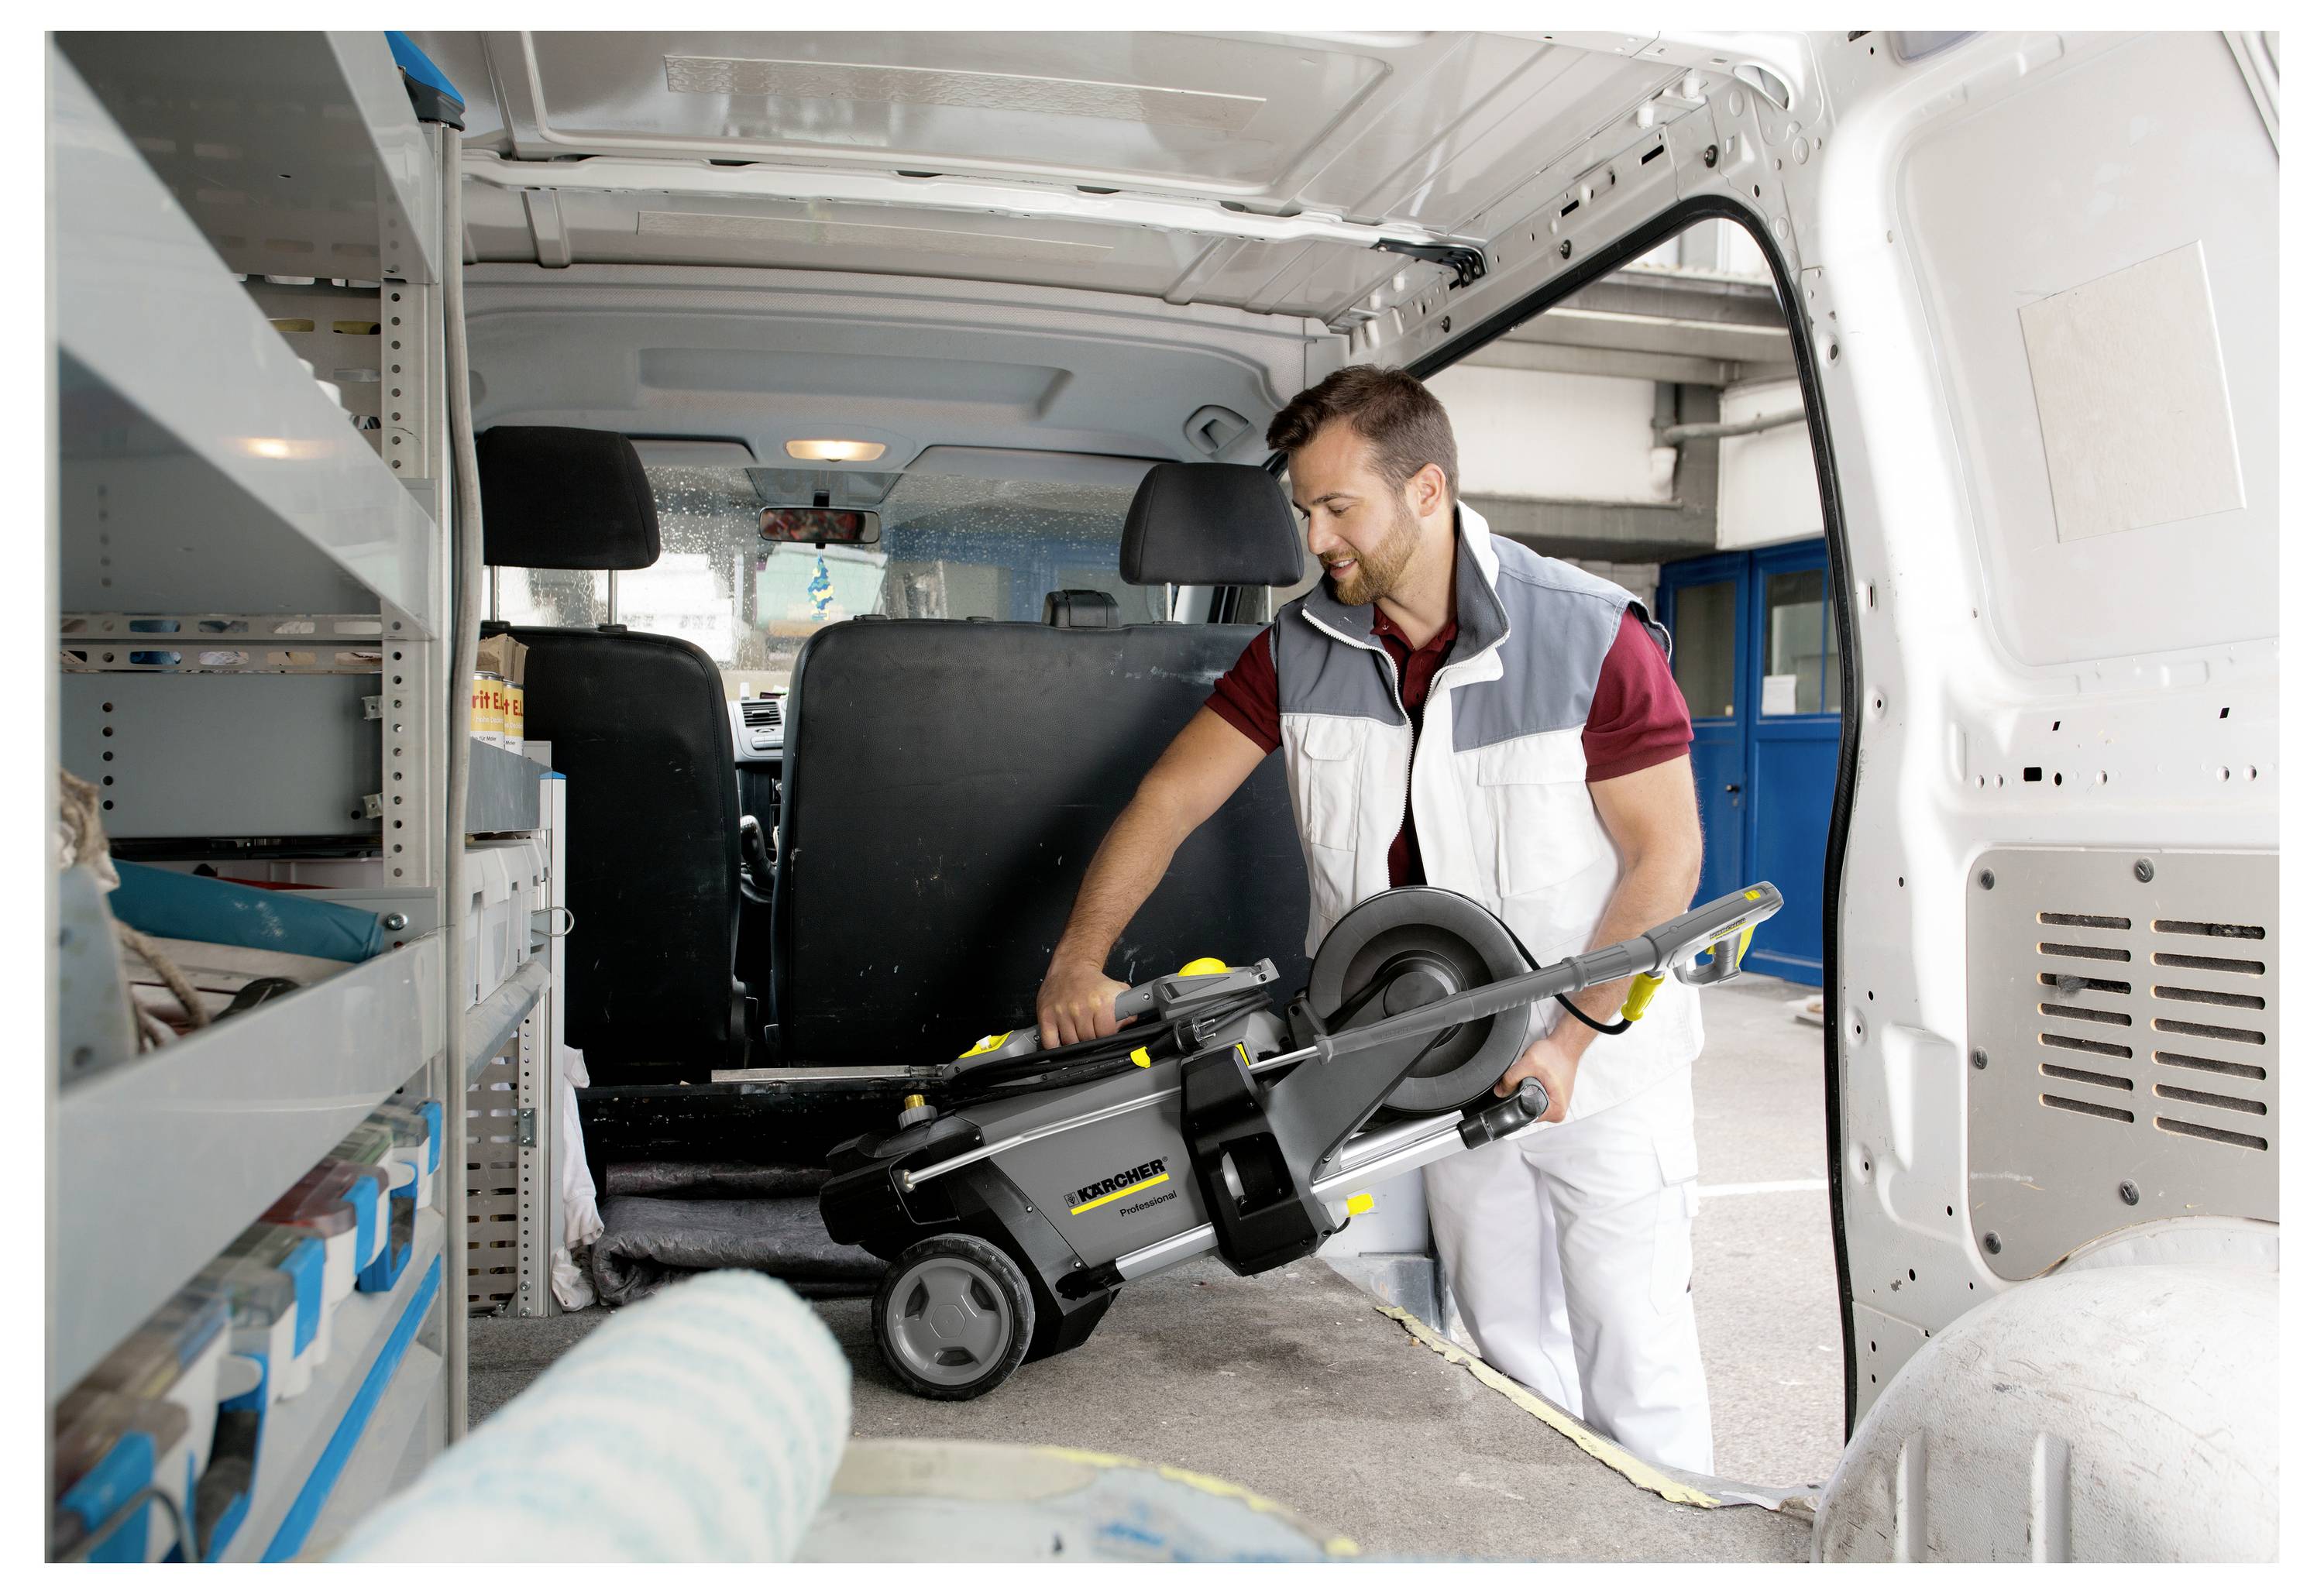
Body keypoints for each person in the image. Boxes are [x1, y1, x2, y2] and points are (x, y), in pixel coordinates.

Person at [1033, 365, 1713, 1473]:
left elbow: (1664, 853)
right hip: (1430, 1069)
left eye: (1337, 507)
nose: (1316, 537)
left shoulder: (1593, 636)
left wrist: (1572, 1038)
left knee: (1637, 1363)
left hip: (1603, 1071)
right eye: (1304, 510)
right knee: (1501, 1356)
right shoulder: (1297, 649)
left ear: (1428, 491)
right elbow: (1169, 799)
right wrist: (1080, 957)